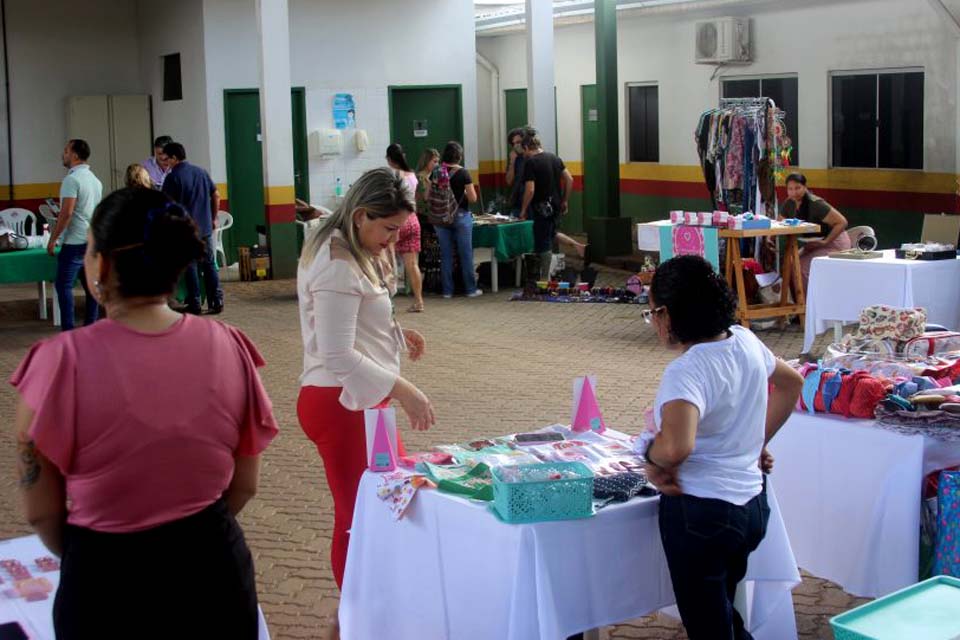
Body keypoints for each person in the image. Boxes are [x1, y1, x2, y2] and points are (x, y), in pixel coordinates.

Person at [12, 187, 278, 639]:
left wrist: (96, 554)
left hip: (107, 585)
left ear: (101, 265)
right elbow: (244, 484)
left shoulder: (60, 361)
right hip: (214, 572)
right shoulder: (229, 346)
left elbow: (42, 513)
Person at [296, 168, 435, 639]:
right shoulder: (337, 261)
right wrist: (405, 389)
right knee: (359, 516)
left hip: (358, 399)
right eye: (389, 229)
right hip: (340, 403)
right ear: (360, 216)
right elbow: (335, 352)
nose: (393, 239)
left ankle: (358, 617)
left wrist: (396, 333)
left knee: (378, 507)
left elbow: (357, 322)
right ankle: (354, 619)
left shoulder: (351, 247)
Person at [637, 255, 803, 640]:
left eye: (651, 314)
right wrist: (754, 442)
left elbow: (677, 446)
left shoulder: (687, 370)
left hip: (703, 513)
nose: (653, 325)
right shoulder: (744, 340)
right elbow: (792, 383)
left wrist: (650, 457)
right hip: (751, 506)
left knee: (710, 625)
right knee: (723, 614)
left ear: (668, 314)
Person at [161, 142, 224, 315]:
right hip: (205, 227)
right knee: (210, 263)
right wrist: (213, 217)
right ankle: (217, 301)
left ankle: (195, 302)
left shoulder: (173, 178)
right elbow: (216, 195)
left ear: (174, 158)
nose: (165, 163)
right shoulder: (201, 172)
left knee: (190, 266)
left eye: (166, 159)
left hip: (185, 230)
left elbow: (166, 205)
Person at [49, 139, 103, 331]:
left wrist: (53, 238)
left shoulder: (71, 180)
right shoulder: (95, 180)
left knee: (63, 286)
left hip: (73, 242)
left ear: (74, 155)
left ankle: (68, 329)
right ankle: (91, 325)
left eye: (65, 151)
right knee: (90, 287)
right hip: (91, 240)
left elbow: (67, 213)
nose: (62, 154)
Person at [518, 132, 578, 279]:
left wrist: (523, 209)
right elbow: (570, 180)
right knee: (551, 236)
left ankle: (544, 279)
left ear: (526, 147)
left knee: (543, 243)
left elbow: (530, 189)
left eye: (523, 150)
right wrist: (564, 200)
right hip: (555, 206)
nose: (523, 154)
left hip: (540, 209)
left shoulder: (531, 163)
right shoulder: (555, 158)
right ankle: (549, 274)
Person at [780, 173, 850, 291]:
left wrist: (825, 241)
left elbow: (842, 222)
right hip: (813, 243)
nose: (794, 192)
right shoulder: (789, 203)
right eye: (790, 189)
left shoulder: (815, 203)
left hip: (833, 242)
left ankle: (807, 305)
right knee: (789, 263)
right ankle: (793, 303)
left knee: (800, 268)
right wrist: (769, 238)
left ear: (805, 187)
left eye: (798, 188)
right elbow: (779, 222)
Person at [432, 141, 481, 298]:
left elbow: (427, 195)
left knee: (445, 255)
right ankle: (470, 290)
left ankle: (447, 291)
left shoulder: (436, 171)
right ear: (459, 156)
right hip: (460, 216)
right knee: (465, 254)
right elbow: (473, 198)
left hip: (440, 218)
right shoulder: (464, 173)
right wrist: (463, 195)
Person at [386, 143, 424, 312]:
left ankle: (389, 303)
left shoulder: (393, 175)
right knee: (412, 264)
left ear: (389, 159)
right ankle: (419, 302)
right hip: (413, 219)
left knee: (389, 262)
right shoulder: (412, 175)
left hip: (397, 221)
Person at [504, 127, 527, 216]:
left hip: (531, 202)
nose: (516, 145)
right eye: (513, 144)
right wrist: (512, 162)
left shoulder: (533, 158)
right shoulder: (515, 159)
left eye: (518, 142)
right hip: (517, 202)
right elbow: (509, 181)